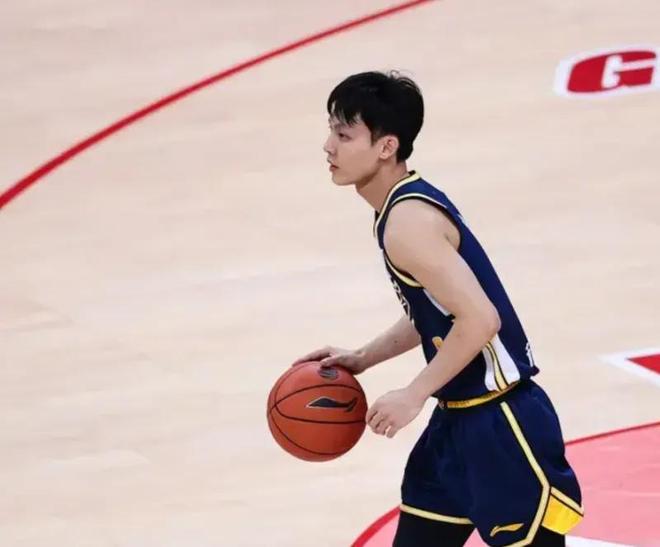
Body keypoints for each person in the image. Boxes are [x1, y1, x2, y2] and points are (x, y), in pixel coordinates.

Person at [293, 71, 583, 546]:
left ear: (386, 147)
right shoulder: (397, 208)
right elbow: (435, 309)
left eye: (344, 136)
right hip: (456, 422)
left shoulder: (408, 223)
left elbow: (480, 320)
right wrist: (363, 358)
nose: (328, 146)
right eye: (331, 132)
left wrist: (412, 394)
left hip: (500, 424)